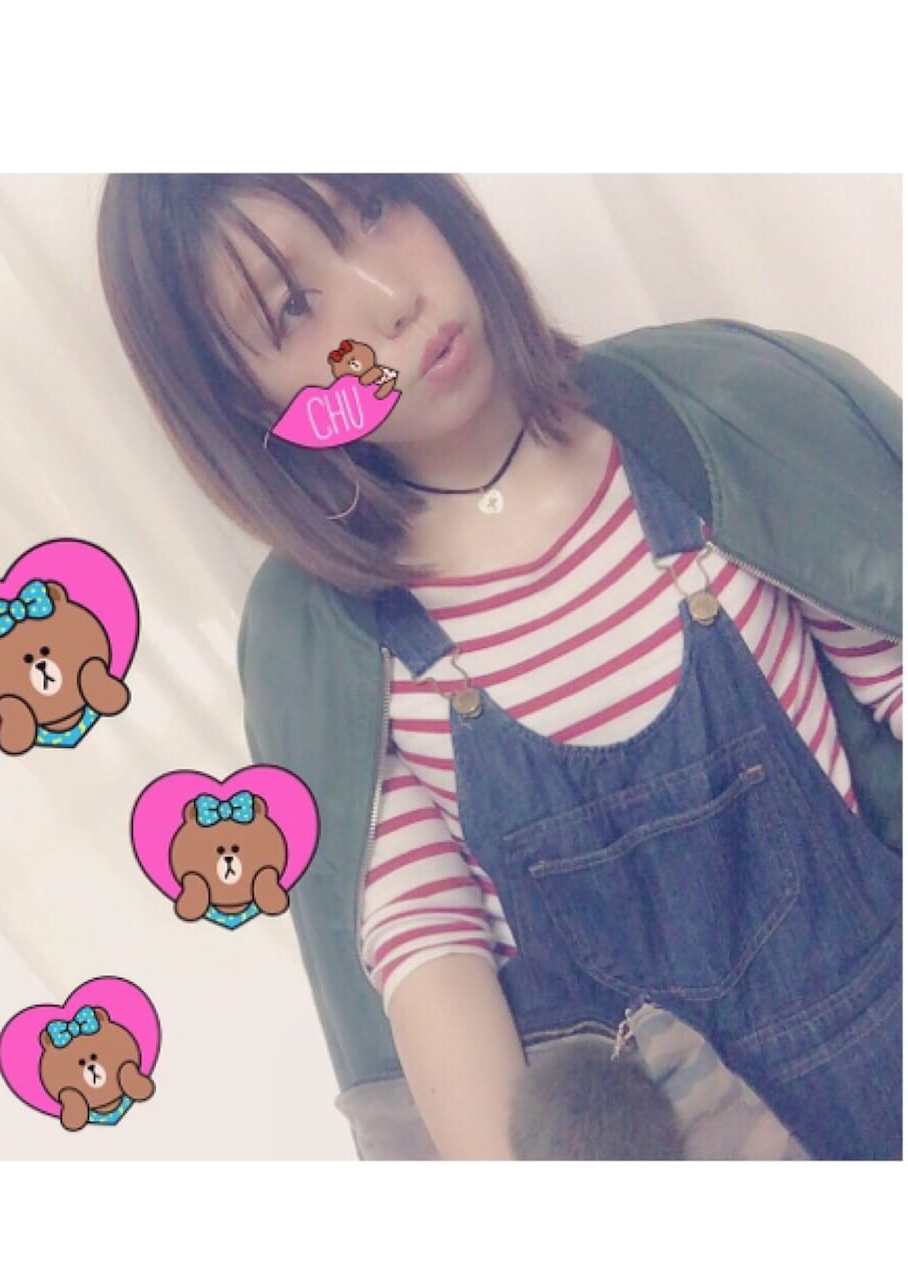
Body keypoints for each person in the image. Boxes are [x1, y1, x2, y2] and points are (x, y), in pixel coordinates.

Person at [97, 174, 902, 1160]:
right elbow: (425, 947)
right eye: (295, 306)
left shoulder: (710, 425)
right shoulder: (332, 640)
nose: (390, 298)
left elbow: (891, 666)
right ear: (242, 401)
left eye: (374, 210)